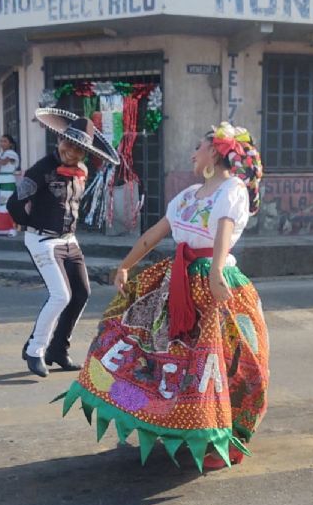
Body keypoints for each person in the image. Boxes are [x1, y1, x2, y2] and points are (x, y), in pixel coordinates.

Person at [57, 122, 268, 471]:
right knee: (166, 358)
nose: (192, 153)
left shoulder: (233, 189)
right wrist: (125, 265)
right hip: (177, 282)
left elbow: (224, 231)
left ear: (215, 152)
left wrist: (216, 273)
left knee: (224, 362)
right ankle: (172, 420)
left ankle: (227, 437)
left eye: (198, 147)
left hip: (215, 283)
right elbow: (153, 235)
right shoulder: (187, 196)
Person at [7, 108, 121, 378]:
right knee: (61, 296)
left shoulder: (81, 170)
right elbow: (14, 204)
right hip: (43, 240)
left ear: (85, 153)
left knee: (81, 293)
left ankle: (58, 349)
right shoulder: (40, 170)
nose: (71, 151)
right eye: (68, 143)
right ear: (59, 141)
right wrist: (31, 223)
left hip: (69, 240)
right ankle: (36, 350)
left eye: (79, 148)